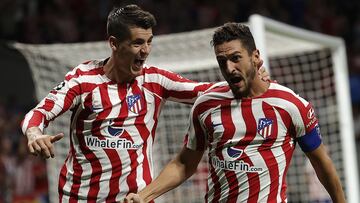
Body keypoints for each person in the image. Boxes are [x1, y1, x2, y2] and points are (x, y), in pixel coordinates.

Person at [20, 5, 269, 202]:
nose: (146, 50)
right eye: (138, 42)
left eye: (149, 41)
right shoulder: (83, 80)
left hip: (136, 199)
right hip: (82, 197)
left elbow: (206, 91)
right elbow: (39, 113)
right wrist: (34, 133)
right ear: (114, 43)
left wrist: (253, 80)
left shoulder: (154, 81)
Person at [125, 23, 346, 203]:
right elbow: (184, 163)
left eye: (235, 58)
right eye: (222, 61)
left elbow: (321, 162)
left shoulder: (290, 105)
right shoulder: (205, 105)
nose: (229, 68)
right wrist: (144, 196)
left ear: (256, 56)